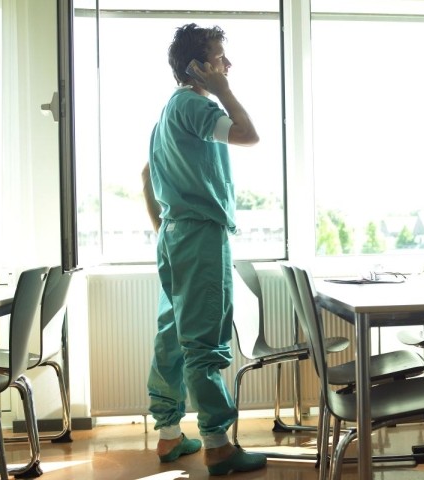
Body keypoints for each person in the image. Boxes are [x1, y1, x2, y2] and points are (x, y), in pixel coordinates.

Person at [141, 23, 265, 476]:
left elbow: (144, 179)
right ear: (197, 66)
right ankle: (218, 445)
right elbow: (249, 134)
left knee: (172, 336)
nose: (226, 65)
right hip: (199, 235)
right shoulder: (196, 105)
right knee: (204, 340)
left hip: (174, 234)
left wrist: (169, 230)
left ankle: (169, 435)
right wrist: (224, 90)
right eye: (218, 58)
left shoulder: (167, 113)